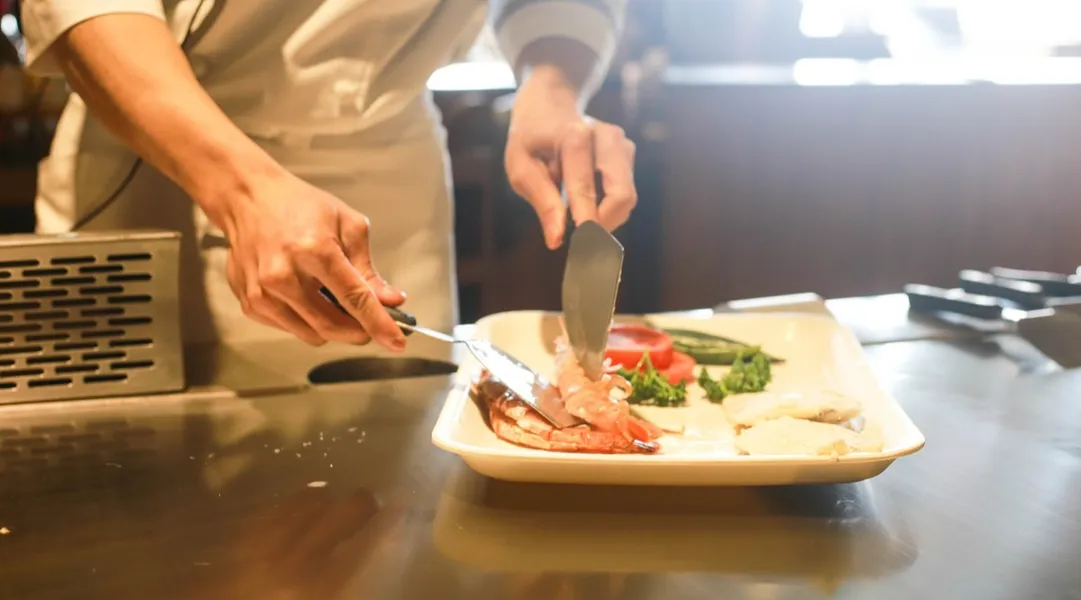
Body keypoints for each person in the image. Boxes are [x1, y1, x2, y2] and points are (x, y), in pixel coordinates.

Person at [20, 0, 638, 352]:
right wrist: (241, 191)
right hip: (163, 146)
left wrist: (552, 87)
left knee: (400, 491)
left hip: (388, 168)